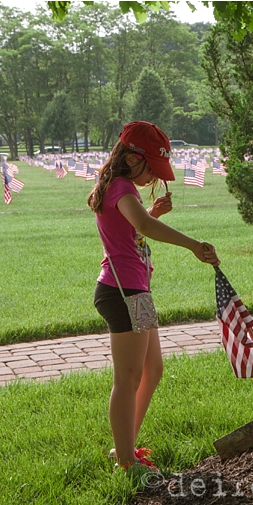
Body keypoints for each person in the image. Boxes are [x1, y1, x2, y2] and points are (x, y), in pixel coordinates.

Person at [88, 120, 220, 471]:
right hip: (122, 293)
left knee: (153, 369)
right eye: (153, 169)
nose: (156, 179)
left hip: (137, 294)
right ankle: (127, 462)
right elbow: (142, 227)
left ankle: (125, 447)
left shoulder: (120, 188)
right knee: (128, 378)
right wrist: (193, 245)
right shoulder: (121, 187)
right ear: (132, 159)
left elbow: (133, 228)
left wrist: (153, 212)